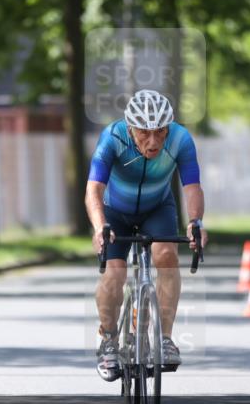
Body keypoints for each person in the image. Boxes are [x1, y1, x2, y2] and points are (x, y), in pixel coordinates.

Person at [85, 89, 208, 381]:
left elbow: (192, 186)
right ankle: (109, 339)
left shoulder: (180, 140)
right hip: (115, 210)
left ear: (169, 128)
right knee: (114, 274)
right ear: (130, 128)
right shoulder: (113, 137)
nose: (153, 141)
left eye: (160, 132)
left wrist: (195, 222)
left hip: (158, 208)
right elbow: (94, 188)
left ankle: (164, 338)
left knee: (166, 256)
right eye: (144, 133)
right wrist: (99, 226)